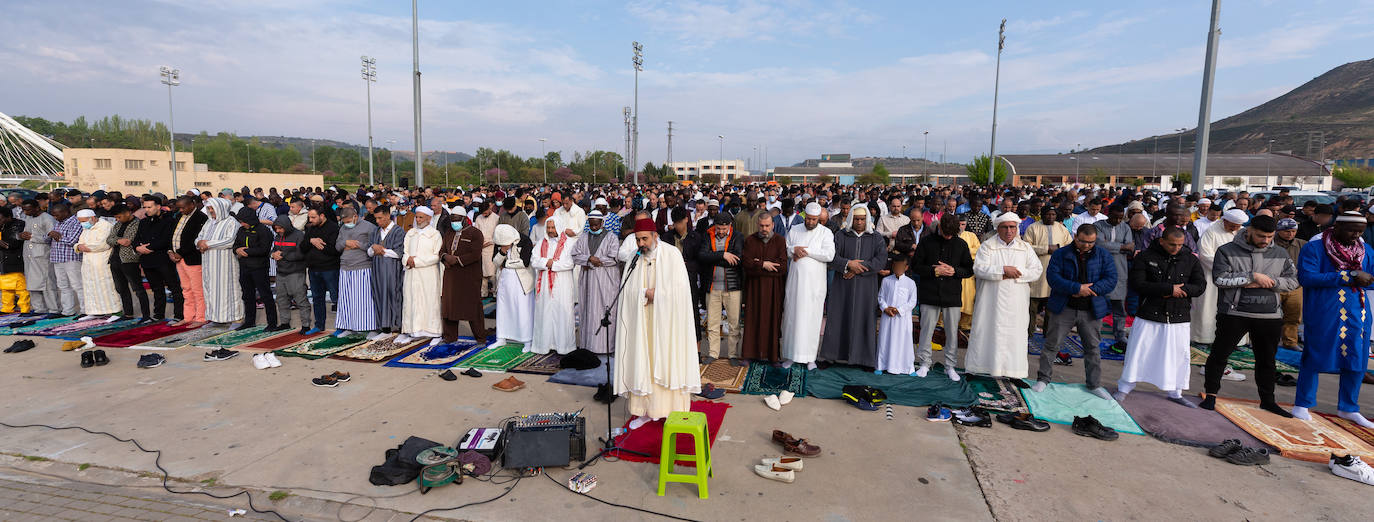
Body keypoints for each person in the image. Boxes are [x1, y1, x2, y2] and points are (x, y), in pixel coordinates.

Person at [1199, 215, 1296, 417]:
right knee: (1220, 355)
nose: (1266, 240)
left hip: (1269, 315)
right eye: (1261, 236)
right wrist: (1251, 277)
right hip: (1234, 313)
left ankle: (1268, 401)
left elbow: (1293, 281)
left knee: (1267, 361)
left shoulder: (1280, 253)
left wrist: (1268, 282)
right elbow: (1220, 279)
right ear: (1249, 230)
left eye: (1270, 236)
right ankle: (1210, 395)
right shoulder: (1226, 250)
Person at [613, 218, 700, 430]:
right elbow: (627, 291)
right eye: (637, 239)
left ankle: (671, 411)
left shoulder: (672, 255)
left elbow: (681, 292)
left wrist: (657, 294)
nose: (641, 243)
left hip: (668, 323)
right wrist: (644, 293)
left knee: (667, 361)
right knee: (644, 361)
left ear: (655, 236)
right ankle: (645, 411)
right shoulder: (636, 258)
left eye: (644, 238)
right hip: (643, 321)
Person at [1291, 212, 1374, 428]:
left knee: (1357, 359)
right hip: (1325, 311)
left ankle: (1349, 407)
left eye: (1360, 231)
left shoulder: (1365, 250)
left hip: (1359, 313)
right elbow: (1306, 278)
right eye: (1350, 230)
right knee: (1316, 355)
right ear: (1336, 226)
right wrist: (1348, 276)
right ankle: (1302, 404)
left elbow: (1371, 278)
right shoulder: (1315, 248)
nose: (1355, 235)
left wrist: (1364, 278)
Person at [1115, 227, 1206, 406]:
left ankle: (1176, 392)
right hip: (1150, 313)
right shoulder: (1145, 256)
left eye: (1180, 245)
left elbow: (1200, 285)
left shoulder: (1190, 259)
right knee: (1138, 353)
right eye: (1172, 244)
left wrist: (1181, 291)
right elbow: (1137, 283)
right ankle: (1124, 388)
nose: (1176, 248)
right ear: (1162, 241)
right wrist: (1168, 289)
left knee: (1178, 355)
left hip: (1178, 315)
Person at [1031, 225, 1117, 400]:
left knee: (1092, 348)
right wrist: (1075, 288)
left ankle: (1094, 384)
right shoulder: (1061, 254)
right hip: (1064, 307)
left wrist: (1089, 290)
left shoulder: (1103, 255)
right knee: (1052, 345)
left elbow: (1111, 279)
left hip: (1091, 309)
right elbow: (1053, 278)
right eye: (1083, 241)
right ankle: (1043, 379)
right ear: (1076, 237)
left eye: (1091, 242)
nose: (1086, 245)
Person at [965, 213, 1043, 378]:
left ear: (1017, 228)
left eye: (1012, 227)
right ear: (997, 228)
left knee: (1014, 335)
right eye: (1005, 227)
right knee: (987, 332)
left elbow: (1036, 270)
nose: (1009, 231)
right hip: (991, 302)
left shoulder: (1025, 248)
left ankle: (1013, 372)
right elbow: (978, 269)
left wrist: (1016, 273)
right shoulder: (987, 246)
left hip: (1017, 302)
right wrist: (1002, 270)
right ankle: (981, 368)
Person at [819, 206, 887, 368]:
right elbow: (832, 257)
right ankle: (831, 356)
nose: (859, 222)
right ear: (851, 218)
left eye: (862, 219)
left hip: (866, 286)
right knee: (838, 318)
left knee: (865, 319)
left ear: (867, 219)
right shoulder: (841, 235)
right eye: (856, 219)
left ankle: (864, 359)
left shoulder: (876, 237)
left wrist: (857, 270)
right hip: (843, 284)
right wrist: (848, 264)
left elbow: (880, 261)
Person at [911, 214, 974, 379]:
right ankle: (924, 363)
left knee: (952, 332)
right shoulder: (926, 241)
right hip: (929, 293)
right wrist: (934, 271)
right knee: (926, 330)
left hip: (951, 295)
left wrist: (954, 271)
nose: (947, 236)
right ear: (939, 227)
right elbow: (915, 266)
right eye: (945, 232)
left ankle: (950, 366)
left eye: (950, 234)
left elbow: (969, 269)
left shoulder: (961, 244)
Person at [780, 203, 836, 370]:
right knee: (792, 318)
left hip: (815, 286)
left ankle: (810, 358)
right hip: (795, 283)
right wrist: (793, 250)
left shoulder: (826, 233)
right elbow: (785, 248)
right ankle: (790, 356)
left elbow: (829, 255)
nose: (810, 222)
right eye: (808, 219)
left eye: (814, 219)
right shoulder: (795, 229)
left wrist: (807, 251)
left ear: (819, 219)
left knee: (812, 319)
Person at [1193, 209, 1247, 345]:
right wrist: (1226, 269)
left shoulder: (1243, 232)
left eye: (1238, 226)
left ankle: (1236, 341)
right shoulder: (1211, 232)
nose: (1235, 229)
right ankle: (1204, 339)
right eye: (1233, 226)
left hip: (1237, 278)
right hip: (1214, 277)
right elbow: (1205, 255)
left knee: (1235, 310)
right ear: (1225, 220)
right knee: (1208, 308)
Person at [570, 210, 621, 354]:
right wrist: (588, 259)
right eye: (591, 225)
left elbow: (613, 259)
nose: (594, 228)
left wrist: (595, 260)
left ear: (602, 223)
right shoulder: (583, 237)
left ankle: (606, 347)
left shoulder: (612, 237)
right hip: (587, 281)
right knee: (589, 312)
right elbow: (574, 255)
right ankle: (588, 346)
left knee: (604, 312)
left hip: (605, 282)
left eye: (596, 225)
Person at [697, 212, 744, 365]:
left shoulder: (737, 236)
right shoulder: (707, 235)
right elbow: (702, 257)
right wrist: (723, 255)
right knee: (712, 322)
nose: (722, 231)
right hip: (712, 286)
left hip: (733, 286)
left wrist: (713, 258)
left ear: (730, 226)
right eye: (719, 228)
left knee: (733, 323)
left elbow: (736, 260)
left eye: (724, 228)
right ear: (715, 226)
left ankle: (732, 354)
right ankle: (713, 353)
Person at [741, 213, 788, 364]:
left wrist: (757, 263)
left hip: (774, 289)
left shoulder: (780, 241)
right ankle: (749, 354)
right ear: (757, 225)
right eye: (761, 226)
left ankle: (773, 356)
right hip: (754, 288)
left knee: (773, 321)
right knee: (752, 319)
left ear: (773, 225)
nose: (764, 229)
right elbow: (747, 264)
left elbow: (781, 268)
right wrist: (764, 264)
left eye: (767, 226)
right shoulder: (750, 240)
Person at [440, 208, 487, 343]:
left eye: (456, 219)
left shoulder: (475, 233)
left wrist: (457, 260)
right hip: (450, 275)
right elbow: (442, 250)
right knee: (449, 306)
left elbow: (475, 254)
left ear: (464, 219)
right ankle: (450, 337)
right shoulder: (449, 232)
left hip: (469, 276)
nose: (454, 222)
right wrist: (445, 258)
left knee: (472, 306)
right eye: (452, 219)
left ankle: (480, 337)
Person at [397, 206, 443, 344]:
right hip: (411, 273)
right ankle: (413, 331)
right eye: (417, 217)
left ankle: (433, 332)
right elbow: (404, 251)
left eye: (421, 217)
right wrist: (407, 260)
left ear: (429, 219)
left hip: (427, 274)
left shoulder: (435, 234)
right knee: (411, 300)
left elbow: (436, 256)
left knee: (429, 301)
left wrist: (417, 261)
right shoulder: (411, 233)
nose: (418, 219)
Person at [530, 218, 576, 354]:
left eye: (553, 228)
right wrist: (547, 262)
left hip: (562, 284)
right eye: (548, 228)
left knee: (562, 314)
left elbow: (570, 263)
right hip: (544, 283)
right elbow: (534, 260)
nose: (550, 230)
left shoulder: (569, 243)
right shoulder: (541, 243)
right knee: (545, 312)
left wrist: (553, 265)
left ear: (560, 227)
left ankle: (563, 346)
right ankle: (544, 345)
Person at [1024, 207, 1070, 336]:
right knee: (1031, 307)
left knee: (1051, 307)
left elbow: (1069, 246)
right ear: (1042, 215)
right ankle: (1028, 333)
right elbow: (1026, 247)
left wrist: (1059, 249)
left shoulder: (1061, 228)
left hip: (1056, 272)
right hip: (1037, 272)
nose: (1050, 217)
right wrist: (1046, 249)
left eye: (1053, 214)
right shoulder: (1033, 228)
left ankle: (1048, 334)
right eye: (1048, 214)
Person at [233, 206, 281, 331]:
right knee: (247, 295)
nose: (242, 224)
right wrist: (237, 250)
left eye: (243, 221)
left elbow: (264, 250)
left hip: (259, 267)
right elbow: (236, 245)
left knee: (265, 295)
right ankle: (249, 321)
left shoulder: (264, 231)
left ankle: (272, 323)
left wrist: (247, 251)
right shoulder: (241, 230)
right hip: (244, 267)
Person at [135, 196, 183, 322]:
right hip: (147, 260)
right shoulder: (144, 221)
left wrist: (149, 247)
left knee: (174, 287)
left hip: (163, 259)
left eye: (149, 207)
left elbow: (167, 239)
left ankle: (179, 315)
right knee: (156, 289)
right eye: (144, 207)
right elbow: (137, 238)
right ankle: (158, 314)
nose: (147, 209)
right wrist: (137, 247)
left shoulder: (168, 220)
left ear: (158, 206)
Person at [333, 208, 379, 337]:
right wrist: (345, 243)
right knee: (346, 300)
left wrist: (359, 245)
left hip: (363, 267)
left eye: (348, 221)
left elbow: (374, 246)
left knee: (365, 300)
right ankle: (348, 326)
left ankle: (371, 328)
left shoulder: (369, 227)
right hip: (345, 267)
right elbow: (337, 246)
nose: (347, 223)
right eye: (344, 221)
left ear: (355, 216)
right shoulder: (343, 228)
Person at [196, 198, 243, 325]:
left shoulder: (231, 222)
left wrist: (208, 244)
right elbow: (199, 238)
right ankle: (216, 318)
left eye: (212, 208)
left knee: (228, 290)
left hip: (225, 264)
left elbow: (230, 241)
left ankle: (235, 317)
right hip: (208, 262)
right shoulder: (209, 222)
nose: (210, 211)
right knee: (211, 291)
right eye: (209, 208)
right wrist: (199, 243)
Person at [1094, 204, 1133, 352]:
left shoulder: (1126, 227)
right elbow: (1099, 245)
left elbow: (1130, 246)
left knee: (1119, 306)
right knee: (1098, 304)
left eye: (1120, 218)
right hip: (1101, 269)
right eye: (1114, 217)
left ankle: (1120, 335)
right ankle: (1095, 334)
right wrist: (1121, 247)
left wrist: (1117, 247)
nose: (1117, 220)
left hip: (1120, 269)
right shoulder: (1098, 226)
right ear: (1107, 214)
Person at [492, 223, 535, 348]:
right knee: (503, 309)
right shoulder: (500, 242)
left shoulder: (524, 240)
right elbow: (495, 262)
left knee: (522, 310)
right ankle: (501, 337)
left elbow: (525, 262)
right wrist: (503, 251)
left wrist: (505, 264)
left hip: (521, 281)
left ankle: (527, 339)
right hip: (504, 281)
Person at [875, 253, 919, 375]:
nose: (898, 269)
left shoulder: (910, 283)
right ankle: (881, 365)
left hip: (902, 319)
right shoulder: (886, 280)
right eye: (896, 266)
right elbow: (880, 297)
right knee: (885, 340)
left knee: (903, 342)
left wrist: (899, 310)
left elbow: (912, 302)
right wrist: (885, 308)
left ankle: (907, 368)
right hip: (887, 318)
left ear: (906, 267)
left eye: (901, 266)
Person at [170, 196, 209, 326]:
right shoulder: (178, 217)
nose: (181, 210)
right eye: (179, 207)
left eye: (183, 207)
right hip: (178, 259)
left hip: (193, 259)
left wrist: (179, 253)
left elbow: (195, 240)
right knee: (186, 289)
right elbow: (173, 235)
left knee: (198, 290)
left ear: (192, 205)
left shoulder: (200, 218)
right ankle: (188, 316)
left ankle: (201, 317)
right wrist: (170, 251)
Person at [301, 208, 340, 335]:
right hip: (313, 269)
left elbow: (334, 249)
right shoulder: (310, 228)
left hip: (330, 269)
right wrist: (311, 241)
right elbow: (302, 247)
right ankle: (319, 325)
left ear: (322, 216)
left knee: (336, 299)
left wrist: (319, 244)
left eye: (313, 217)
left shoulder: (333, 228)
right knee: (317, 299)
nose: (310, 220)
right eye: (309, 217)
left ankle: (342, 326)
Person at [107, 205, 150, 320]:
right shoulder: (118, 224)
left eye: (119, 217)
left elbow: (128, 240)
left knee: (138, 289)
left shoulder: (137, 224)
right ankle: (128, 313)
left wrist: (117, 240)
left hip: (129, 260)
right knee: (121, 288)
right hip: (115, 259)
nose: (117, 219)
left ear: (127, 213)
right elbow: (109, 239)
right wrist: (118, 240)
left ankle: (146, 315)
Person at [75, 208, 120, 316]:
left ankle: (115, 312)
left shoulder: (105, 226)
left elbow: (102, 244)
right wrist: (79, 246)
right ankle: (94, 312)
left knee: (106, 288)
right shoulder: (86, 229)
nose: (82, 224)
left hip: (101, 262)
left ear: (93, 218)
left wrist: (84, 247)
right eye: (80, 221)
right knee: (90, 288)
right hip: (88, 264)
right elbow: (79, 243)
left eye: (84, 221)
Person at [369, 206, 405, 337]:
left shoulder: (398, 231)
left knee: (394, 296)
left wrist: (381, 250)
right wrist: (374, 248)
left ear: (388, 216)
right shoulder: (375, 231)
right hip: (377, 269)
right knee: (379, 296)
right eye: (376, 219)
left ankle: (399, 327)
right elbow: (369, 251)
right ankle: (385, 329)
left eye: (380, 218)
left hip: (392, 270)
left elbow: (399, 253)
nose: (378, 221)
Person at [271, 215, 310, 333]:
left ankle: (306, 325)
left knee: (300, 299)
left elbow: (301, 254)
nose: (278, 231)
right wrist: (273, 254)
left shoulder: (298, 235)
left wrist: (283, 255)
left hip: (295, 272)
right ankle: (284, 323)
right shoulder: (278, 236)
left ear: (286, 226)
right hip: (281, 272)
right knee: (281, 299)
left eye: (280, 228)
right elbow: (274, 249)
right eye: (276, 229)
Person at [1273, 218, 1306, 350]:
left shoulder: (1302, 244)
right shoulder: (1270, 243)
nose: (1290, 234)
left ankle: (1290, 341)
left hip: (1295, 285)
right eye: (1287, 231)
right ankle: (1268, 341)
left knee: (1294, 315)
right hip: (1274, 285)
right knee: (1270, 316)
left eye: (1293, 231)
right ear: (1279, 231)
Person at [19, 201, 57, 314]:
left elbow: (51, 238)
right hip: (29, 254)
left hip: (42, 255)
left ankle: (54, 309)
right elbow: (25, 233)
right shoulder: (28, 218)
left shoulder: (47, 219)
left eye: (28, 209)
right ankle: (39, 309)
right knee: (31, 283)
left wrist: (32, 236)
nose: (26, 212)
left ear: (36, 208)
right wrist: (21, 235)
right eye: (24, 210)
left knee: (47, 283)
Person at [49, 203, 84, 316]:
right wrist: (50, 235)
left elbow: (72, 241)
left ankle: (85, 311)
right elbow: (49, 237)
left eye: (57, 215)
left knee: (78, 286)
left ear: (66, 213)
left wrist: (58, 236)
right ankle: (68, 311)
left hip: (71, 259)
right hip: (58, 258)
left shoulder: (76, 222)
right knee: (63, 286)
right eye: (53, 215)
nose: (55, 217)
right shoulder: (58, 223)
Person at [0, 211, 27, 313]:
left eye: (1, 219)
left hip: (16, 259)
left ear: (9, 217)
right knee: (5, 286)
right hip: (4, 260)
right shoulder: (2, 226)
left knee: (21, 288)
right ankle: (7, 308)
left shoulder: (19, 225)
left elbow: (15, 243)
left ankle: (25, 309)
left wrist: (5, 244)